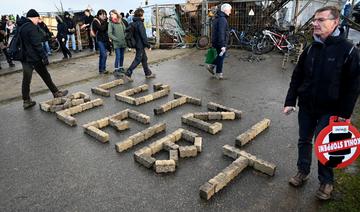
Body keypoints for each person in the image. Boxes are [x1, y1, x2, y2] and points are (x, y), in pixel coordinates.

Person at [283, 6, 360, 200]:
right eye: (315, 20)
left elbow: (354, 85)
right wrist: (291, 100)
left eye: (321, 20)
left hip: (331, 110)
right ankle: (303, 171)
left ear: (334, 23)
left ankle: (326, 182)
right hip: (307, 106)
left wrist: (345, 113)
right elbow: (297, 76)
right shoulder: (310, 48)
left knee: (326, 145)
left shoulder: (348, 49)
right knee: (304, 140)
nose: (315, 24)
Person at [18, 9, 68, 109]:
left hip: (25, 58)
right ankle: (56, 93)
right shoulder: (31, 27)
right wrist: (44, 57)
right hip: (34, 58)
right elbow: (37, 45)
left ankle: (26, 101)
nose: (38, 20)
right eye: (37, 18)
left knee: (26, 80)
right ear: (33, 17)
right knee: (45, 75)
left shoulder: (21, 27)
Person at [123, 8, 155, 81]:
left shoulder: (133, 23)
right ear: (141, 15)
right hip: (140, 45)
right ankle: (128, 73)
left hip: (137, 44)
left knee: (144, 59)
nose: (144, 16)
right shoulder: (139, 23)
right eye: (143, 14)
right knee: (138, 60)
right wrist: (148, 45)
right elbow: (143, 36)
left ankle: (148, 73)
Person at [207, 3, 232, 80]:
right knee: (221, 57)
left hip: (216, 41)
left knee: (219, 56)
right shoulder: (222, 19)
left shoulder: (217, 18)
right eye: (230, 10)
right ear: (225, 10)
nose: (230, 12)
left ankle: (212, 66)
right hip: (220, 42)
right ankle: (219, 73)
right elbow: (221, 32)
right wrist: (222, 45)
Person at [108, 9, 126, 76]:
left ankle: (121, 67)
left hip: (123, 41)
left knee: (122, 56)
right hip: (116, 43)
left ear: (116, 14)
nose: (111, 15)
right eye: (110, 14)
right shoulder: (111, 23)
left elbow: (125, 30)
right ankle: (116, 69)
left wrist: (125, 37)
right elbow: (109, 33)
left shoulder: (120, 21)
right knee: (118, 56)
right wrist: (116, 39)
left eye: (112, 14)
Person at [92, 9, 109, 74]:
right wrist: (106, 22)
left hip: (105, 39)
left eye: (105, 14)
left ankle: (102, 69)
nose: (104, 16)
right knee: (104, 54)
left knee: (103, 55)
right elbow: (101, 29)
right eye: (102, 14)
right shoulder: (95, 21)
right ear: (99, 15)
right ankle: (102, 69)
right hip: (99, 39)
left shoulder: (105, 22)